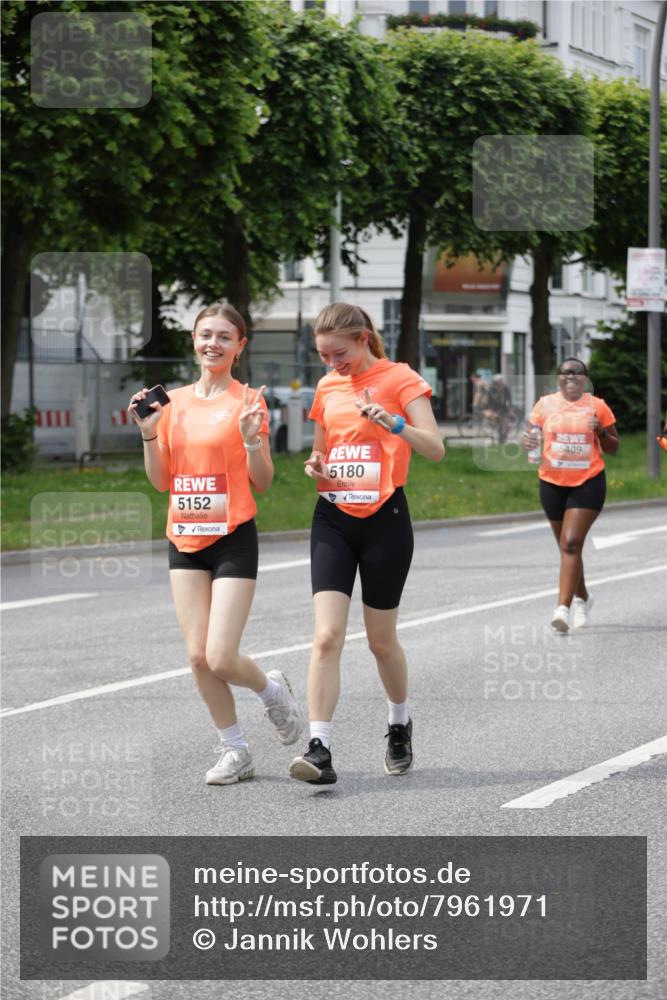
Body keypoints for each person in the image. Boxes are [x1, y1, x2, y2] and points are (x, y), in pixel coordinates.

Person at [128, 302, 302, 785]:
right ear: (194, 340)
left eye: (225, 337)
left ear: (239, 347)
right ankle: (235, 750)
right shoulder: (172, 404)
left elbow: (263, 481)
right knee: (197, 657)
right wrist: (148, 435)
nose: (214, 344)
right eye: (206, 334)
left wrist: (251, 440)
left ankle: (272, 692)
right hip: (184, 537)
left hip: (232, 538)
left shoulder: (248, 401)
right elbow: (161, 481)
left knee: (221, 655)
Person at [288, 303, 445, 786]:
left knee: (381, 642)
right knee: (326, 636)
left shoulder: (400, 379)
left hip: (385, 520)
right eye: (323, 355)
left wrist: (394, 424)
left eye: (339, 354)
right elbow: (322, 447)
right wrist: (316, 463)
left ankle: (399, 724)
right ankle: (319, 748)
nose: (332, 363)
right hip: (333, 517)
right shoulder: (327, 387)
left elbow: (436, 448)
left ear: (363, 339)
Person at [522, 357, 619, 633]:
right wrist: (527, 441)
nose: (571, 376)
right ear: (558, 378)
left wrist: (601, 431)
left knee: (571, 543)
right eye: (565, 372)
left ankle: (561, 610)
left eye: (577, 372)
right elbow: (530, 438)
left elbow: (614, 447)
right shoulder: (544, 405)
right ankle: (583, 598)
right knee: (568, 549)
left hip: (588, 482)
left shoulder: (597, 406)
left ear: (585, 378)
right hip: (551, 483)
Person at [486, 373, 512, 442]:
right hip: (495, 408)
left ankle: (504, 434)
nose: (500, 382)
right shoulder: (492, 388)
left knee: (505, 422)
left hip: (503, 407)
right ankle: (500, 434)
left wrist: (509, 407)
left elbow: (509, 398)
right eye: (498, 381)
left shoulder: (505, 387)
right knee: (497, 422)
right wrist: (489, 407)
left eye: (500, 381)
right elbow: (489, 398)